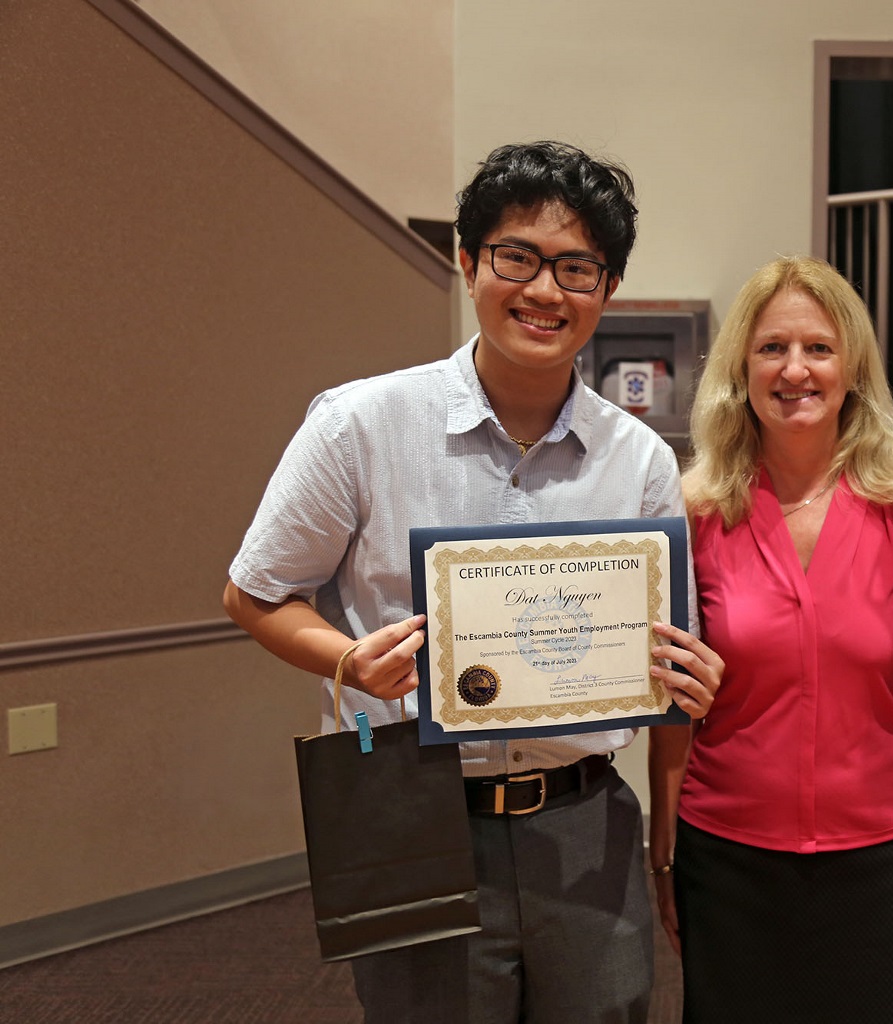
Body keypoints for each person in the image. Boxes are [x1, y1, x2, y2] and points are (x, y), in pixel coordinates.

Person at [222, 141, 722, 1023]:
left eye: (577, 269)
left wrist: (686, 679)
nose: (544, 291)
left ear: (605, 290)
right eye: (516, 257)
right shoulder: (360, 426)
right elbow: (255, 593)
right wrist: (348, 662)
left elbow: (659, 650)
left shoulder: (639, 457)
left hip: (584, 820)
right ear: (467, 261)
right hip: (412, 813)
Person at [647, 256, 893, 1022]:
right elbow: (673, 701)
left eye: (818, 348)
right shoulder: (692, 510)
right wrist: (664, 833)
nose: (795, 370)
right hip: (729, 850)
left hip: (884, 854)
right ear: (740, 369)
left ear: (852, 367)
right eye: (771, 349)